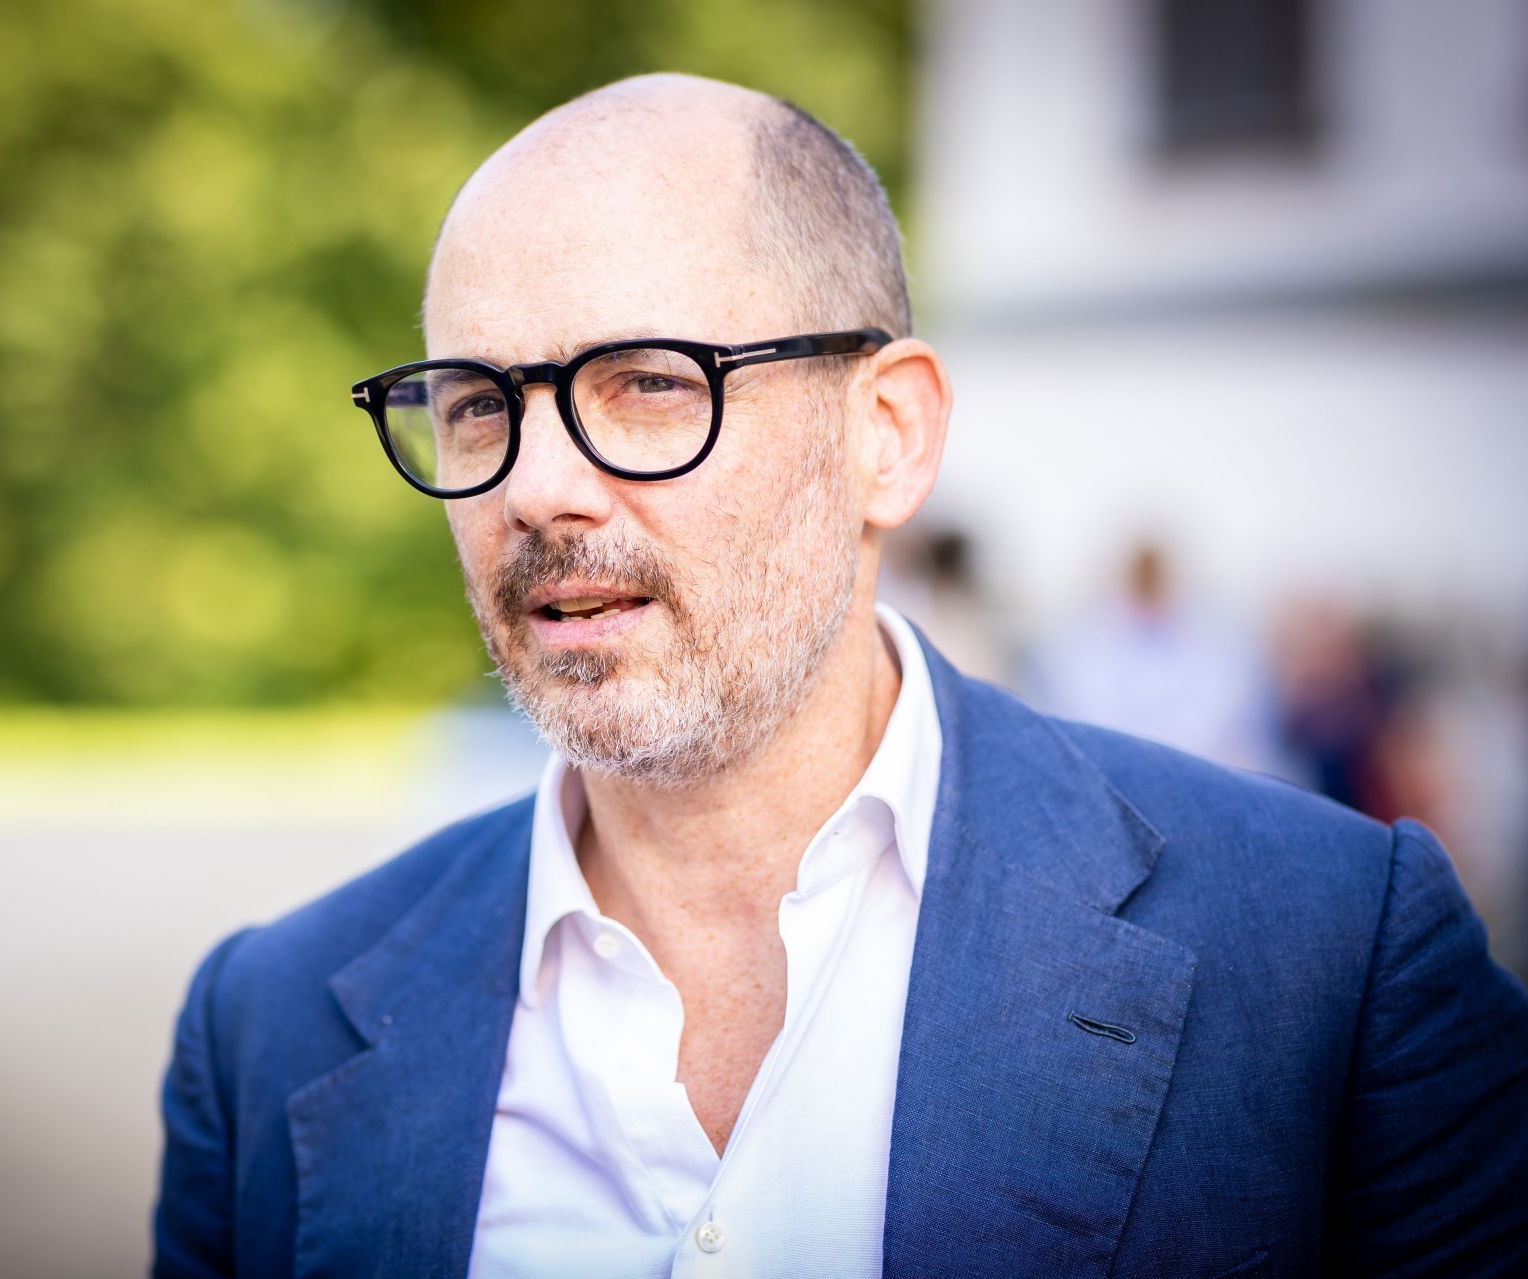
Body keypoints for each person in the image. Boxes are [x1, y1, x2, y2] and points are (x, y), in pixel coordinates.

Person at [151, 74, 1528, 1278]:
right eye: (476, 405)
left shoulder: (1330, 966)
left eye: (647, 382)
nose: (538, 487)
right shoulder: (265, 1032)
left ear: (888, 437)